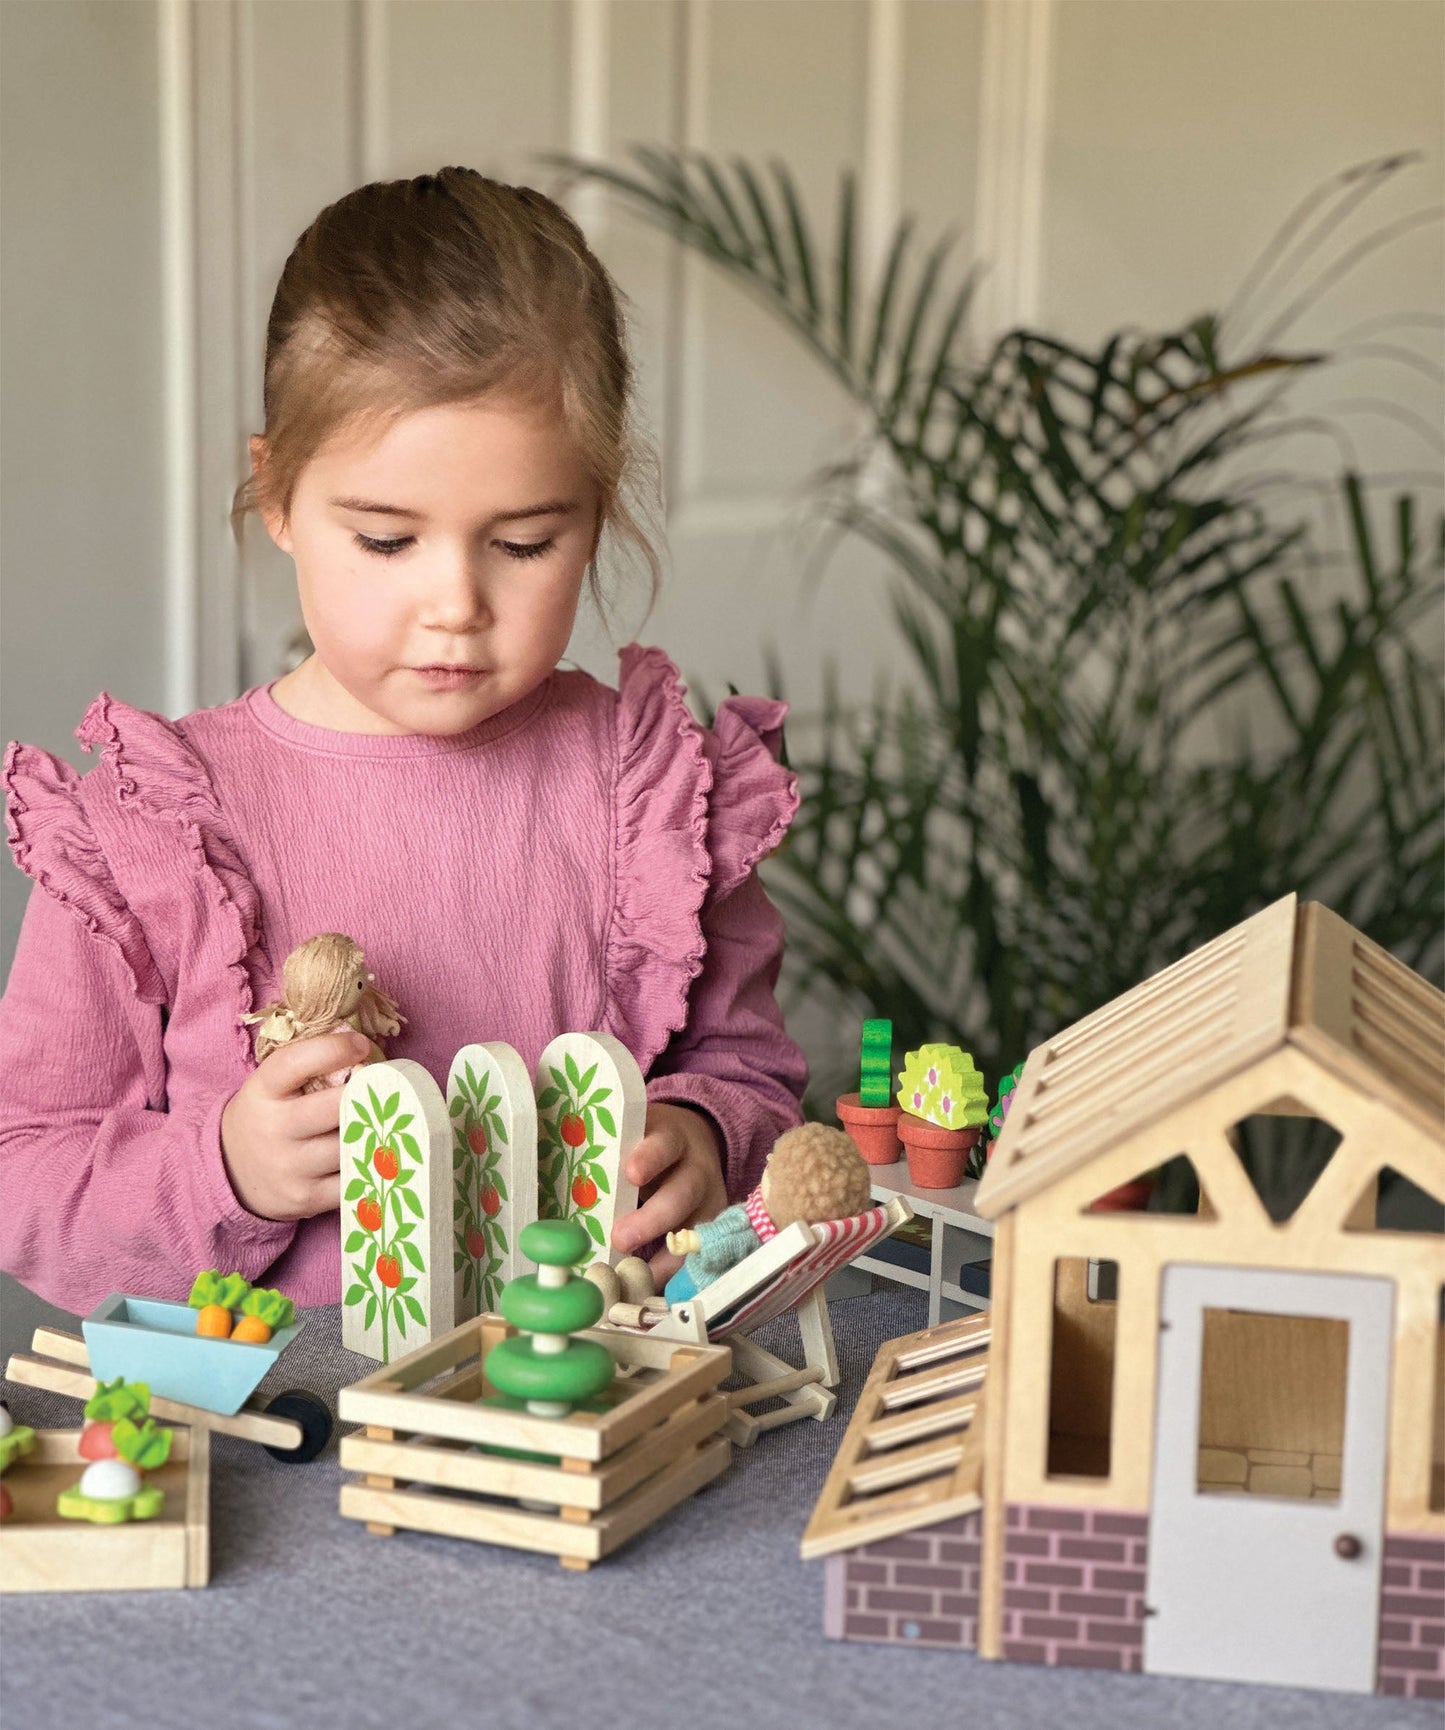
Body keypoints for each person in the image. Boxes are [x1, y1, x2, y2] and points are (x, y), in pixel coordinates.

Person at [0, 168, 807, 1316]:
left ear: (596, 506)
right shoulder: (151, 826)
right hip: (275, 1441)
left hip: (583, 1409)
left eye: (523, 542)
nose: (455, 604)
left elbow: (753, 1076)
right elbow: (24, 1170)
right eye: (386, 539)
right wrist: (223, 1167)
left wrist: (702, 1135)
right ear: (273, 490)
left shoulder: (650, 794)